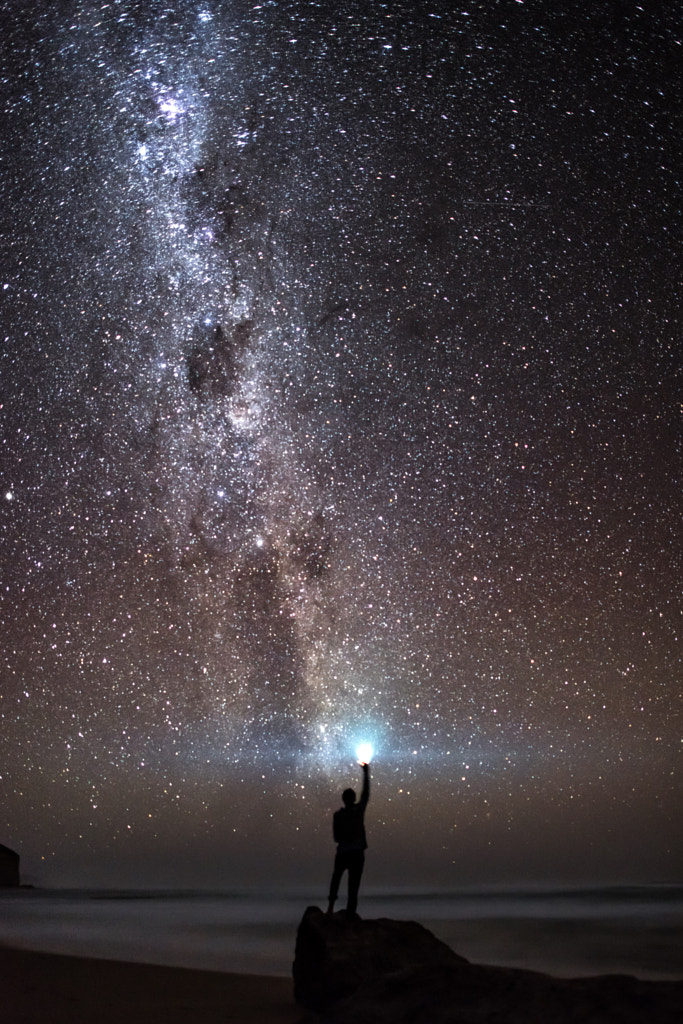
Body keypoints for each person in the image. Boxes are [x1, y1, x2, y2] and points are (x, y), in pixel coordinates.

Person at [327, 761, 370, 916]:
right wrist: (366, 772)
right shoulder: (358, 811)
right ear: (353, 798)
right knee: (354, 885)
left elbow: (335, 837)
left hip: (343, 851)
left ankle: (330, 908)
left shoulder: (338, 816)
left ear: (343, 799)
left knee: (336, 878)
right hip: (357, 853)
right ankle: (351, 914)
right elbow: (366, 794)